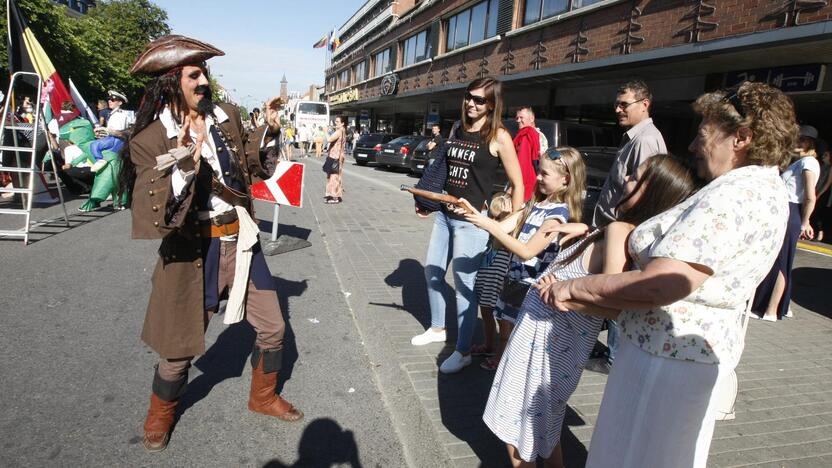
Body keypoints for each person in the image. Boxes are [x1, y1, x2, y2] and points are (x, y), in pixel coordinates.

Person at [538, 81, 796, 468]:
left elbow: (662, 283)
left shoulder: (734, 194)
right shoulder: (763, 187)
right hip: (677, 358)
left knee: (631, 457)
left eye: (704, 133)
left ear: (741, 137)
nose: (693, 146)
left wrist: (574, 286)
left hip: (665, 364)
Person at [120, 34, 303, 453]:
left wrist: (269, 131)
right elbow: (155, 211)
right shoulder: (149, 139)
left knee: (273, 327)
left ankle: (263, 397)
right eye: (193, 74)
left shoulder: (226, 116)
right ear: (171, 82)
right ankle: (160, 415)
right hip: (191, 249)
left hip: (240, 239)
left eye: (205, 73)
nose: (204, 82)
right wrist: (184, 165)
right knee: (178, 347)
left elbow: (253, 165)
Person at [483, 154, 698, 468]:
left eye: (636, 178)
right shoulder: (616, 228)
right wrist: (583, 230)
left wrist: (565, 296)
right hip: (548, 341)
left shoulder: (620, 229)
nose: (626, 179)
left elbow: (613, 299)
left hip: (548, 344)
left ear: (652, 192)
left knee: (519, 429)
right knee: (544, 427)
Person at [410, 77, 524, 374]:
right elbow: (443, 170)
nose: (471, 103)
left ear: (492, 104)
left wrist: (511, 222)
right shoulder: (457, 129)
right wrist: (428, 201)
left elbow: (519, 183)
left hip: (471, 224)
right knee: (432, 271)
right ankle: (437, 328)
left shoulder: (499, 136)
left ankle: (462, 351)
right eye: (468, 97)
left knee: (464, 288)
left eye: (479, 100)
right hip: (445, 216)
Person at [458, 147, 586, 371]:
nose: (537, 177)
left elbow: (527, 251)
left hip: (532, 295)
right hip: (514, 286)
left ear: (565, 180)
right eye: (539, 171)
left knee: (522, 355)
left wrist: (489, 225)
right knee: (509, 345)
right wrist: (472, 213)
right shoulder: (535, 205)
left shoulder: (557, 215)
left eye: (544, 174)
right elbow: (501, 227)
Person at [591, 79, 667, 368]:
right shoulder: (635, 137)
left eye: (625, 104)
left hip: (624, 230)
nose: (618, 109)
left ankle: (614, 358)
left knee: (615, 291)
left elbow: (644, 194)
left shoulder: (646, 140)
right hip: (614, 228)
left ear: (644, 104)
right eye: (617, 104)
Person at [752, 124, 820, 321]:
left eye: (802, 140)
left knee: (781, 261)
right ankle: (782, 305)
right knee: (780, 259)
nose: (797, 142)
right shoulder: (801, 162)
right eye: (797, 138)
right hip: (787, 209)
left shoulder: (808, 163)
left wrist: (805, 222)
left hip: (791, 211)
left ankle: (771, 310)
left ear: (810, 143)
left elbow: (810, 196)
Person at [89, 91, 132, 172]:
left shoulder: (120, 115)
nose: (109, 101)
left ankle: (100, 160)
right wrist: (103, 133)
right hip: (113, 139)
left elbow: (120, 132)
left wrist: (105, 130)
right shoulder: (113, 114)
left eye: (113, 99)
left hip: (116, 141)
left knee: (94, 145)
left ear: (120, 102)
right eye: (109, 99)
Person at [245, 97, 284, 181]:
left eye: (272, 112)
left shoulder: (276, 128)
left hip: (270, 171)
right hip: (261, 170)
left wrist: (268, 107)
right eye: (269, 112)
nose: (270, 113)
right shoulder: (264, 128)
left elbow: (270, 122)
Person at [514, 107, 541, 202]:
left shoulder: (533, 135)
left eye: (521, 117)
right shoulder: (521, 135)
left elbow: (538, 163)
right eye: (517, 118)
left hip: (529, 186)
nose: (518, 120)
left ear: (532, 118)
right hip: (519, 183)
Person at [324, 116, 348, 204]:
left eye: (337, 122)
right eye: (335, 121)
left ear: (342, 123)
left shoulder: (339, 131)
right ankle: (332, 194)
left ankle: (335, 196)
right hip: (338, 156)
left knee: (333, 177)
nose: (335, 123)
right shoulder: (343, 131)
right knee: (334, 176)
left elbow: (329, 139)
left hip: (335, 156)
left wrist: (325, 131)